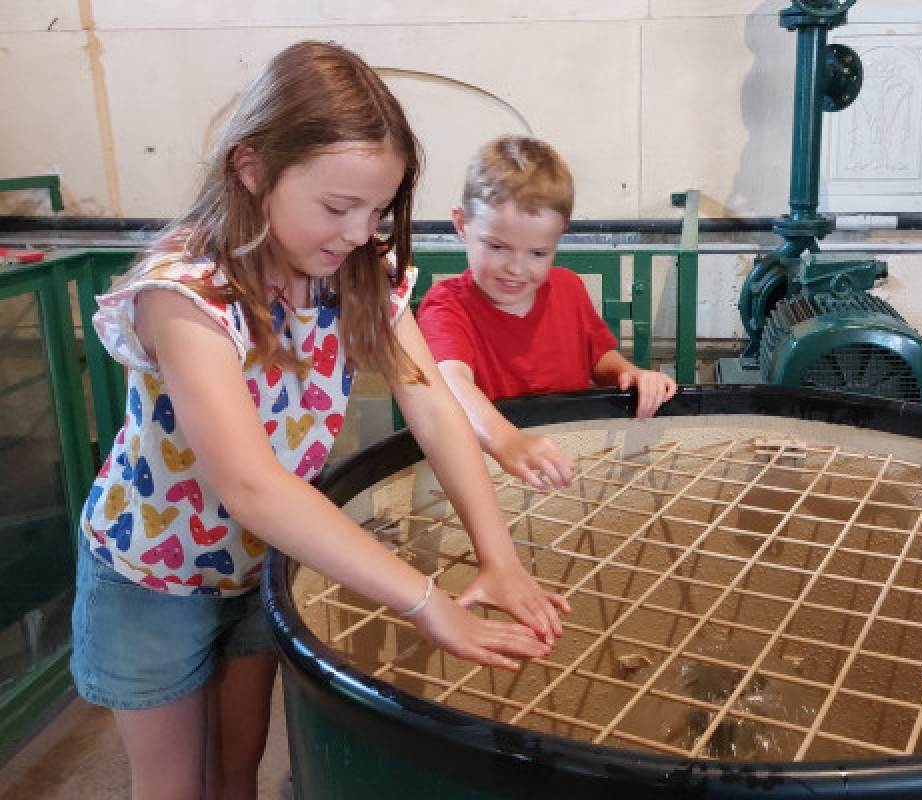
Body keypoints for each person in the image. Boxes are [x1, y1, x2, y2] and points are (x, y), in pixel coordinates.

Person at [69, 42, 568, 800]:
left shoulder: (359, 270)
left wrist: (496, 554)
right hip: (153, 574)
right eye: (337, 207)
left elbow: (431, 403)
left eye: (377, 210)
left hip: (266, 563)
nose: (358, 231)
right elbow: (251, 485)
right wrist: (425, 602)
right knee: (174, 782)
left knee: (239, 763)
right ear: (252, 168)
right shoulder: (187, 292)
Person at [416, 135, 677, 490]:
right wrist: (505, 439)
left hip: (565, 465)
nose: (516, 269)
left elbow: (599, 358)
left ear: (558, 239)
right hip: (491, 472)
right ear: (462, 224)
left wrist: (631, 374)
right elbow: (452, 382)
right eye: (497, 246)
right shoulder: (446, 306)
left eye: (538, 253)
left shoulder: (568, 288)